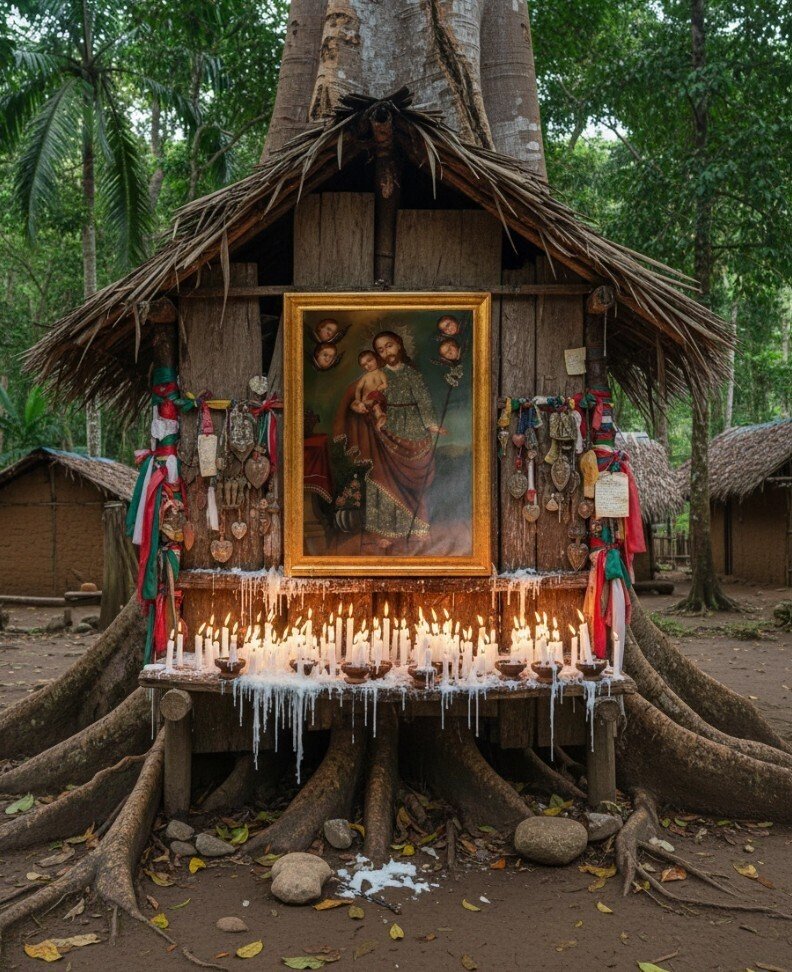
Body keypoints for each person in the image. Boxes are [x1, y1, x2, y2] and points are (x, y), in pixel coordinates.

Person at [334, 330, 444, 546]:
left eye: (389, 345)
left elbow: (423, 400)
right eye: (381, 350)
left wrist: (431, 424)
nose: (386, 352)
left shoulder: (412, 374)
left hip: (414, 427)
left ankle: (418, 526)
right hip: (385, 430)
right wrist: (360, 405)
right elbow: (363, 395)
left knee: (415, 481)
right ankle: (384, 532)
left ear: (400, 345)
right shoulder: (376, 374)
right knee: (382, 477)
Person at [352, 349, 388, 430]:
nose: (367, 365)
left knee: (376, 405)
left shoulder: (381, 373)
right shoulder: (365, 377)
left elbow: (385, 384)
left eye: (369, 360)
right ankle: (361, 408)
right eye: (364, 364)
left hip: (375, 398)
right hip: (365, 401)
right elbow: (358, 388)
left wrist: (379, 388)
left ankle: (381, 417)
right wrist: (357, 400)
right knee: (353, 405)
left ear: (376, 358)